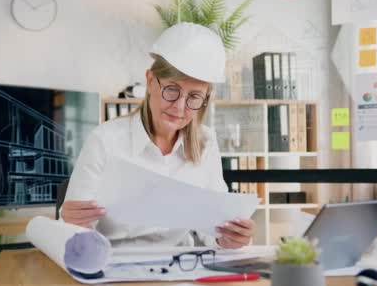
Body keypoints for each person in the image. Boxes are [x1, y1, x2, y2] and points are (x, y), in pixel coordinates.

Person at [60, 22, 256, 249]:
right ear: (151, 81)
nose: (180, 107)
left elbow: (215, 230)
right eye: (172, 90)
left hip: (180, 267)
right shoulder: (105, 141)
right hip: (113, 265)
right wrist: (71, 223)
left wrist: (231, 238)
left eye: (194, 97)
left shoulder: (206, 143)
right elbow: (75, 233)